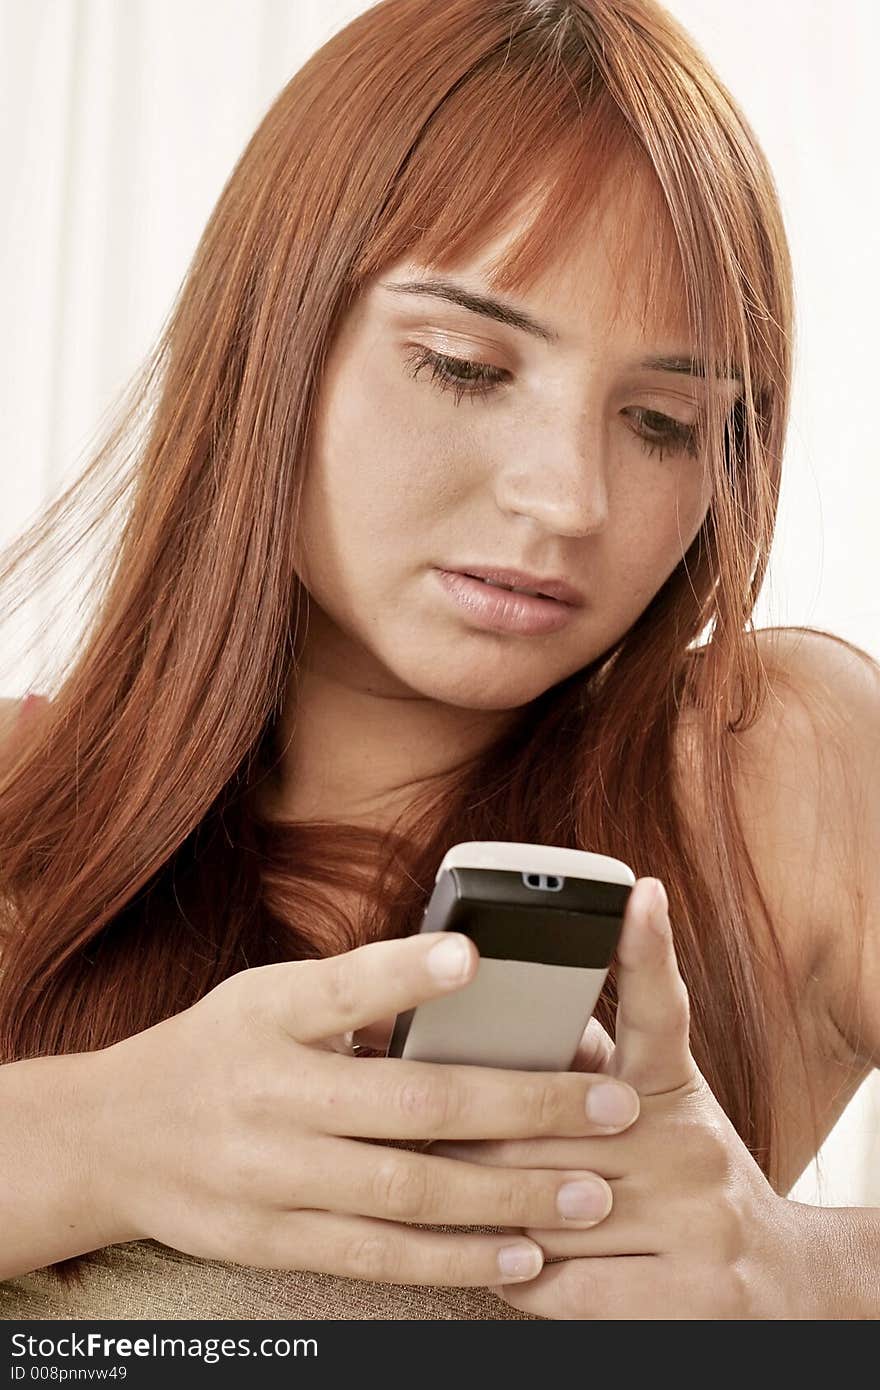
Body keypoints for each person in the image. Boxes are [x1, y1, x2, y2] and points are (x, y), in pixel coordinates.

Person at [0, 0, 878, 1321]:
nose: (570, 497)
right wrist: (98, 1133)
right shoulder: (26, 802)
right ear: (271, 340)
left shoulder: (777, 764)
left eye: (660, 421)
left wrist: (809, 1268)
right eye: (467, 366)